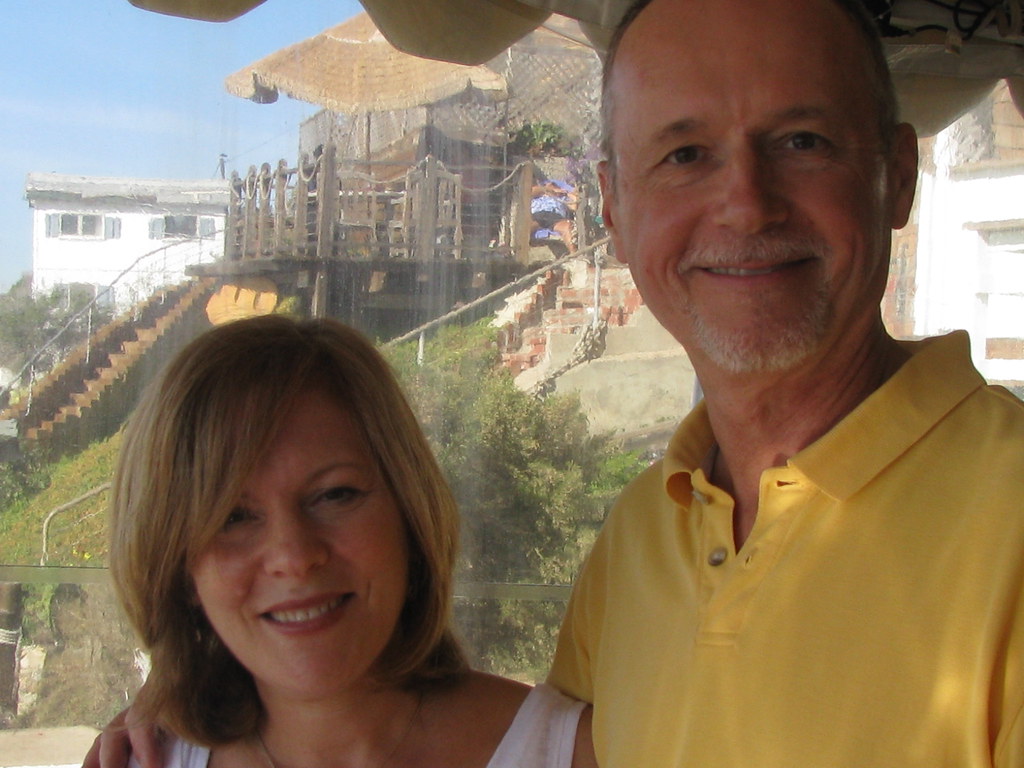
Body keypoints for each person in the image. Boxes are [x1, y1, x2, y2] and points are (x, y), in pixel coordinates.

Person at [546, 0, 1024, 766]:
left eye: (803, 142)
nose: (746, 205)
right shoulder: (638, 537)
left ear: (898, 178)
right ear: (613, 205)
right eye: (685, 154)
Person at [91, 315, 596, 768]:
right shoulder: (145, 760)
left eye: (335, 495)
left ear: (409, 514)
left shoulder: (572, 754)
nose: (293, 556)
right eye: (233, 517)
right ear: (179, 569)